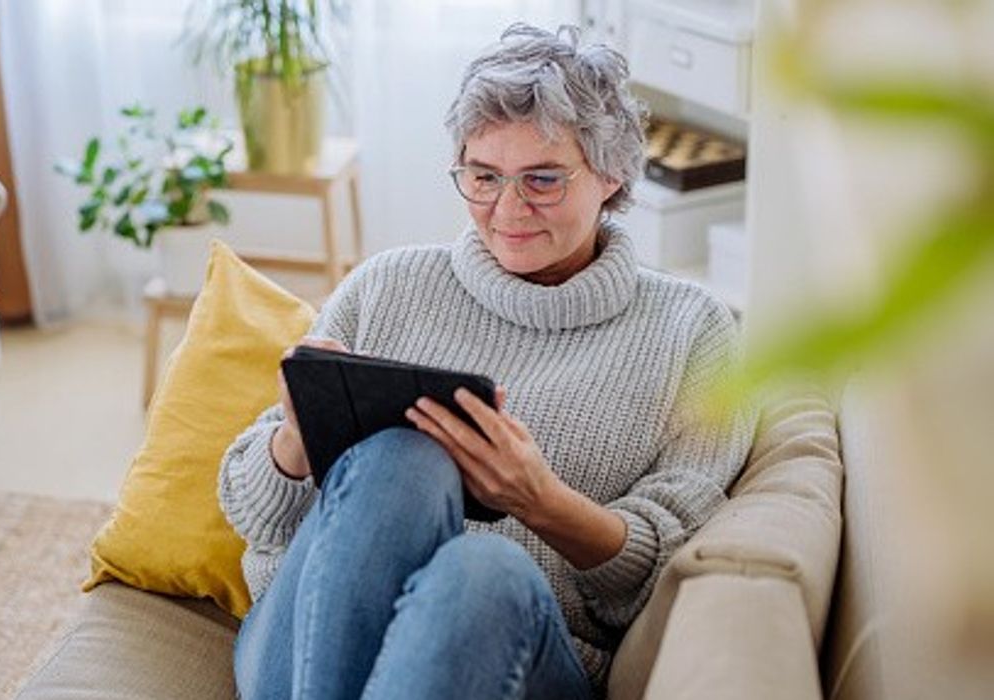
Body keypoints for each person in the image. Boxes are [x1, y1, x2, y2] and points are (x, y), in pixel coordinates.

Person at [218, 22, 754, 700]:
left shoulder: (691, 329)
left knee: (483, 568)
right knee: (400, 459)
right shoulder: (387, 284)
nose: (507, 208)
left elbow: (665, 575)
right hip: (297, 647)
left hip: (504, 648)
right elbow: (254, 517)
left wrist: (539, 501)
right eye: (483, 176)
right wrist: (295, 439)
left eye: (542, 179)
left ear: (613, 175)